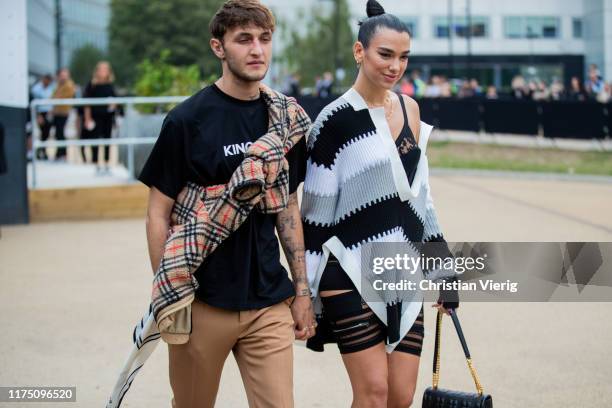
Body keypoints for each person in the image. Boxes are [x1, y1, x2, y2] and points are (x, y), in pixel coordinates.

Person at [138, 1, 314, 407]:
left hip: (268, 300)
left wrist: (302, 292)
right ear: (219, 47)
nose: (257, 50)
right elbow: (157, 213)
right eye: (244, 40)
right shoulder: (187, 120)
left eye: (265, 39)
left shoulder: (284, 120)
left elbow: (288, 208)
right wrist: (170, 293)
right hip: (203, 300)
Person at [301, 1, 459, 407]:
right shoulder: (332, 121)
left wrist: (442, 269)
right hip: (348, 270)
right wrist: (307, 294)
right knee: (372, 395)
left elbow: (422, 198)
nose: (395, 66)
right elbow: (314, 215)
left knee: (401, 398)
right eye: (385, 54)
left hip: (403, 269)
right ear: (360, 52)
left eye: (403, 57)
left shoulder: (410, 109)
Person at [83, 61, 116, 174]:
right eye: (101, 69)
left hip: (108, 117)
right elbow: (86, 103)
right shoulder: (92, 85)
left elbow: (115, 99)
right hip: (95, 116)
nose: (103, 71)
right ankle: (96, 164)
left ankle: (107, 164)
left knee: (107, 139)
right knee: (95, 140)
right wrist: (87, 118)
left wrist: (113, 105)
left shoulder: (110, 85)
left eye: (105, 69)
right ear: (97, 71)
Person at [51, 68, 76, 161]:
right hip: (57, 112)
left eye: (65, 75)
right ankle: (59, 153)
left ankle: (63, 154)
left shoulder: (69, 85)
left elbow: (61, 96)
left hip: (64, 112)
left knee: (60, 133)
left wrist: (56, 97)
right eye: (62, 75)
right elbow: (53, 96)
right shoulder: (58, 85)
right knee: (58, 133)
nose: (63, 77)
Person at [31, 74, 55, 160]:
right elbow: (34, 102)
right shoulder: (36, 89)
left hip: (48, 113)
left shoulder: (52, 88)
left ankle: (42, 151)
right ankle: (41, 151)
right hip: (40, 113)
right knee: (42, 132)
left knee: (46, 133)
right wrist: (38, 116)